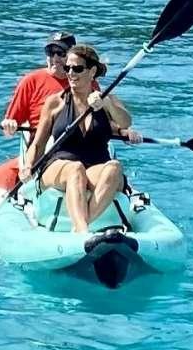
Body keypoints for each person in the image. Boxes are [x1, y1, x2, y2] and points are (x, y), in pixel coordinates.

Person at [21, 43, 137, 242]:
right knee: (75, 169)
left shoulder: (108, 99)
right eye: (68, 68)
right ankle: (83, 232)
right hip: (59, 166)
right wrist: (27, 167)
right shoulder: (55, 102)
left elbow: (126, 121)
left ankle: (82, 226)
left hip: (95, 166)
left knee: (115, 167)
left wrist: (106, 103)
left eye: (77, 69)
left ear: (92, 71)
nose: (70, 73)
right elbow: (39, 144)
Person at [0, 31, 78, 137]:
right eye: (50, 52)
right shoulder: (30, 81)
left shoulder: (85, 80)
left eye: (61, 53)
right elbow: (8, 130)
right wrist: (9, 125)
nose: (55, 58)